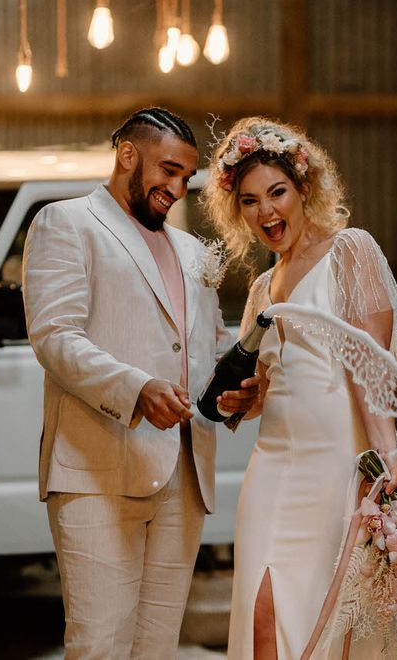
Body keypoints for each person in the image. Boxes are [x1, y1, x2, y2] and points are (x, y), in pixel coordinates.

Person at [22, 107, 259, 659]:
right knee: (99, 644)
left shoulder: (192, 252)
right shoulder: (67, 223)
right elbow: (54, 336)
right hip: (97, 471)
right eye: (168, 170)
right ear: (128, 153)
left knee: (156, 649)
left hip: (185, 477)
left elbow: (204, 348)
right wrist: (136, 388)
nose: (177, 188)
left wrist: (236, 387)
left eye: (185, 178)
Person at [203, 117, 397, 659]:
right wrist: (245, 401)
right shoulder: (260, 289)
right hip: (270, 471)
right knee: (261, 613)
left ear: (304, 190)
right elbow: (266, 391)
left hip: (335, 469)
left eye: (277, 193)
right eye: (250, 201)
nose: (267, 212)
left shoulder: (350, 253)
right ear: (237, 210)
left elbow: (374, 366)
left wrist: (387, 456)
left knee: (324, 617)